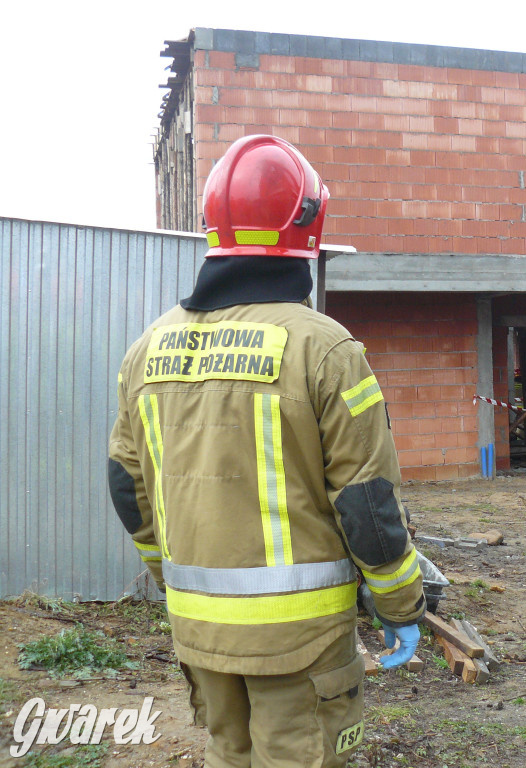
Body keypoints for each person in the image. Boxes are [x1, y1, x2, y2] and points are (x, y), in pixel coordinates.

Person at [108, 134, 425, 767]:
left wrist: (172, 581)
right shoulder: (325, 349)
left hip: (199, 630)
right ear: (307, 226)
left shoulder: (148, 349)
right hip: (300, 642)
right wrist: (399, 604)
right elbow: (366, 504)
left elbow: (127, 487)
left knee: (230, 757)